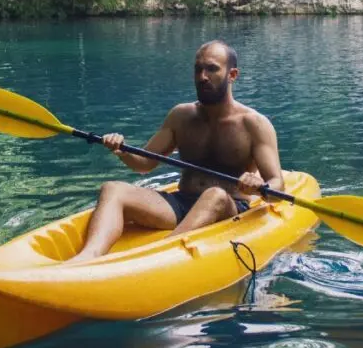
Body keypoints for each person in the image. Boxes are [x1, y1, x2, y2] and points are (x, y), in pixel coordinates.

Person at [66, 40, 285, 263]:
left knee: (215, 194)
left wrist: (261, 186)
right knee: (112, 189)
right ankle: (87, 257)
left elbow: (278, 185)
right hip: (181, 203)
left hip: (229, 210)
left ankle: (161, 253)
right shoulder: (181, 116)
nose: (202, 77)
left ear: (232, 75)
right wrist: (121, 150)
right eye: (198, 69)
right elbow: (144, 164)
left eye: (212, 69)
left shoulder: (254, 124)